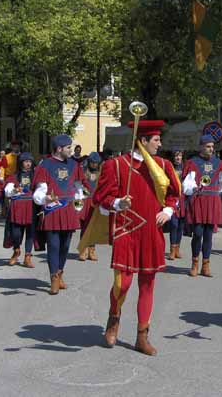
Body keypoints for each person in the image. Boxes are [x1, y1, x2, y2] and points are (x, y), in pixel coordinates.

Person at [93, 120, 180, 356]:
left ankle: (142, 336)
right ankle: (114, 319)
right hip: (127, 230)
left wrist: (168, 211)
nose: (160, 144)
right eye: (156, 140)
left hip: (152, 232)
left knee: (147, 284)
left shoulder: (163, 165)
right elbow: (101, 197)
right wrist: (117, 203)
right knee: (124, 283)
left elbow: (174, 194)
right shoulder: (116, 165)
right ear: (142, 142)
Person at [32, 134, 88, 295]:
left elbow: (79, 188)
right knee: (54, 246)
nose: (71, 150)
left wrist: (78, 206)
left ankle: (60, 272)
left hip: (69, 211)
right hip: (52, 211)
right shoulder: (45, 165)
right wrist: (45, 198)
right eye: (69, 147)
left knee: (65, 246)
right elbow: (39, 192)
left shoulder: (74, 165)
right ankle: (54, 277)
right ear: (59, 149)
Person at [182, 135, 222, 277]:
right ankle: (194, 263)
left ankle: (206, 265)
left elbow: (221, 183)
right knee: (197, 233)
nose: (211, 149)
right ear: (201, 147)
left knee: (208, 235)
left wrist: (213, 193)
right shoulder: (193, 162)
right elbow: (187, 184)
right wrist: (194, 188)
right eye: (208, 146)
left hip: (212, 199)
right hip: (199, 200)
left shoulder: (219, 163)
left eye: (212, 147)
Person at [4, 153, 37, 268]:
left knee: (30, 233)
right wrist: (14, 190)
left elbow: (42, 189)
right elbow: (7, 190)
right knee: (16, 233)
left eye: (30, 161)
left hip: (31, 207)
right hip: (18, 207)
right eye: (26, 161)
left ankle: (27, 257)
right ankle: (16, 250)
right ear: (21, 162)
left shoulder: (36, 175)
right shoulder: (15, 175)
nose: (28, 163)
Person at [78, 152, 102, 262]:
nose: (94, 165)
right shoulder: (83, 172)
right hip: (85, 200)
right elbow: (77, 186)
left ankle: (91, 250)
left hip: (95, 202)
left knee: (94, 228)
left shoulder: (100, 173)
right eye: (93, 162)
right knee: (85, 227)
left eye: (96, 163)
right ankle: (82, 250)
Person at [168, 147, 186, 260]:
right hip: (173, 198)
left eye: (179, 155)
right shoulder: (169, 168)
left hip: (183, 198)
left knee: (181, 225)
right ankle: (172, 250)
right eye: (176, 156)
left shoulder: (186, 168)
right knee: (173, 224)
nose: (178, 158)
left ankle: (177, 249)